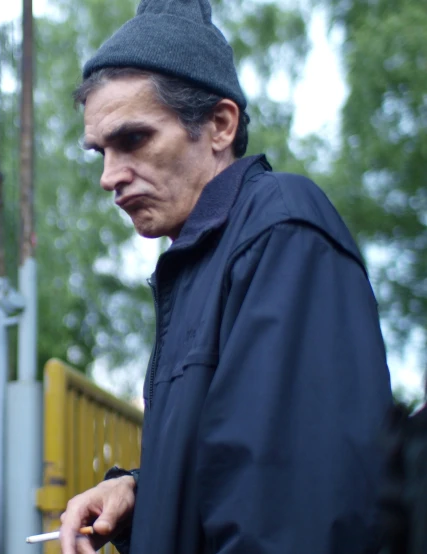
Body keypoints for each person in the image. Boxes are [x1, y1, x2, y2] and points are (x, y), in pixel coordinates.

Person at [58, 0, 394, 553]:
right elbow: (234, 476)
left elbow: (295, 518)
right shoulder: (199, 266)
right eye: (100, 151)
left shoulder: (281, 229)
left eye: (133, 139)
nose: (108, 177)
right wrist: (139, 494)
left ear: (219, 125)